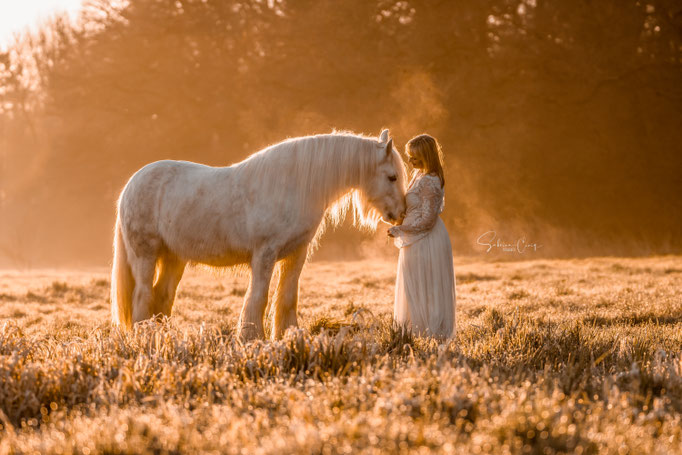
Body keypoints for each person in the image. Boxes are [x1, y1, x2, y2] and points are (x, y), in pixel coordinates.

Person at [388, 134, 456, 339]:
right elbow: (415, 208)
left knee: (426, 285)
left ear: (427, 156)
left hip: (427, 240)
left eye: (415, 157)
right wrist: (399, 219)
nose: (410, 162)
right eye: (410, 157)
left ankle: (430, 333)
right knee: (413, 284)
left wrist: (400, 230)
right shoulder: (419, 175)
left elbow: (428, 220)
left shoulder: (431, 181)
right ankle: (412, 332)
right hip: (414, 239)